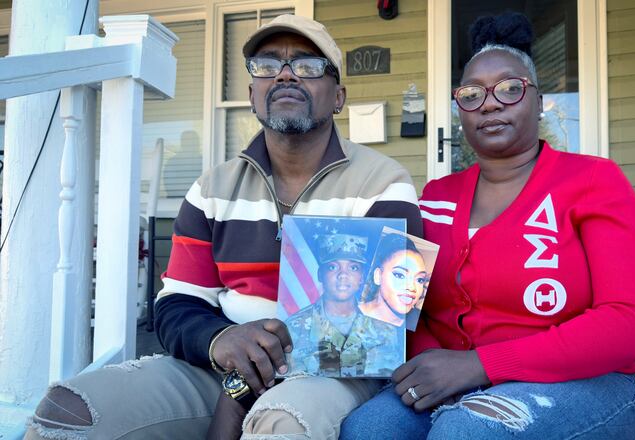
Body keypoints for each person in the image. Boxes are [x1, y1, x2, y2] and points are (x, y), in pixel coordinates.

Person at [25, 14, 422, 440]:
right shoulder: (212, 189)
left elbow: (385, 318)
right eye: (267, 66)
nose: (285, 75)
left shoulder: (382, 182)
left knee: (280, 422)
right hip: (222, 368)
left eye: (307, 65)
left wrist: (253, 382)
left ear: (338, 95)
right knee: (68, 410)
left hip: (334, 371)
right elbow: (177, 304)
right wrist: (222, 341)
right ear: (252, 94)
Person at [341, 12, 635, 439]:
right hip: (455, 380)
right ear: (460, 111)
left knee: (466, 433)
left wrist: (479, 366)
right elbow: (405, 306)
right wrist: (434, 362)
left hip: (585, 382)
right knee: (366, 430)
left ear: (539, 100)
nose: (489, 103)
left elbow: (629, 323)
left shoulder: (592, 181)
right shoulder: (436, 196)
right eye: (471, 94)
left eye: (510, 89)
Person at [285, 234, 403, 377]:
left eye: (353, 268)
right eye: (332, 267)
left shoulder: (386, 330)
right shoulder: (293, 329)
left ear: (362, 277)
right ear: (320, 274)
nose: (343, 275)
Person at [358, 233, 429, 327]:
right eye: (399, 275)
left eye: (420, 280)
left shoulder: (419, 322)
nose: (412, 287)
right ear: (378, 276)